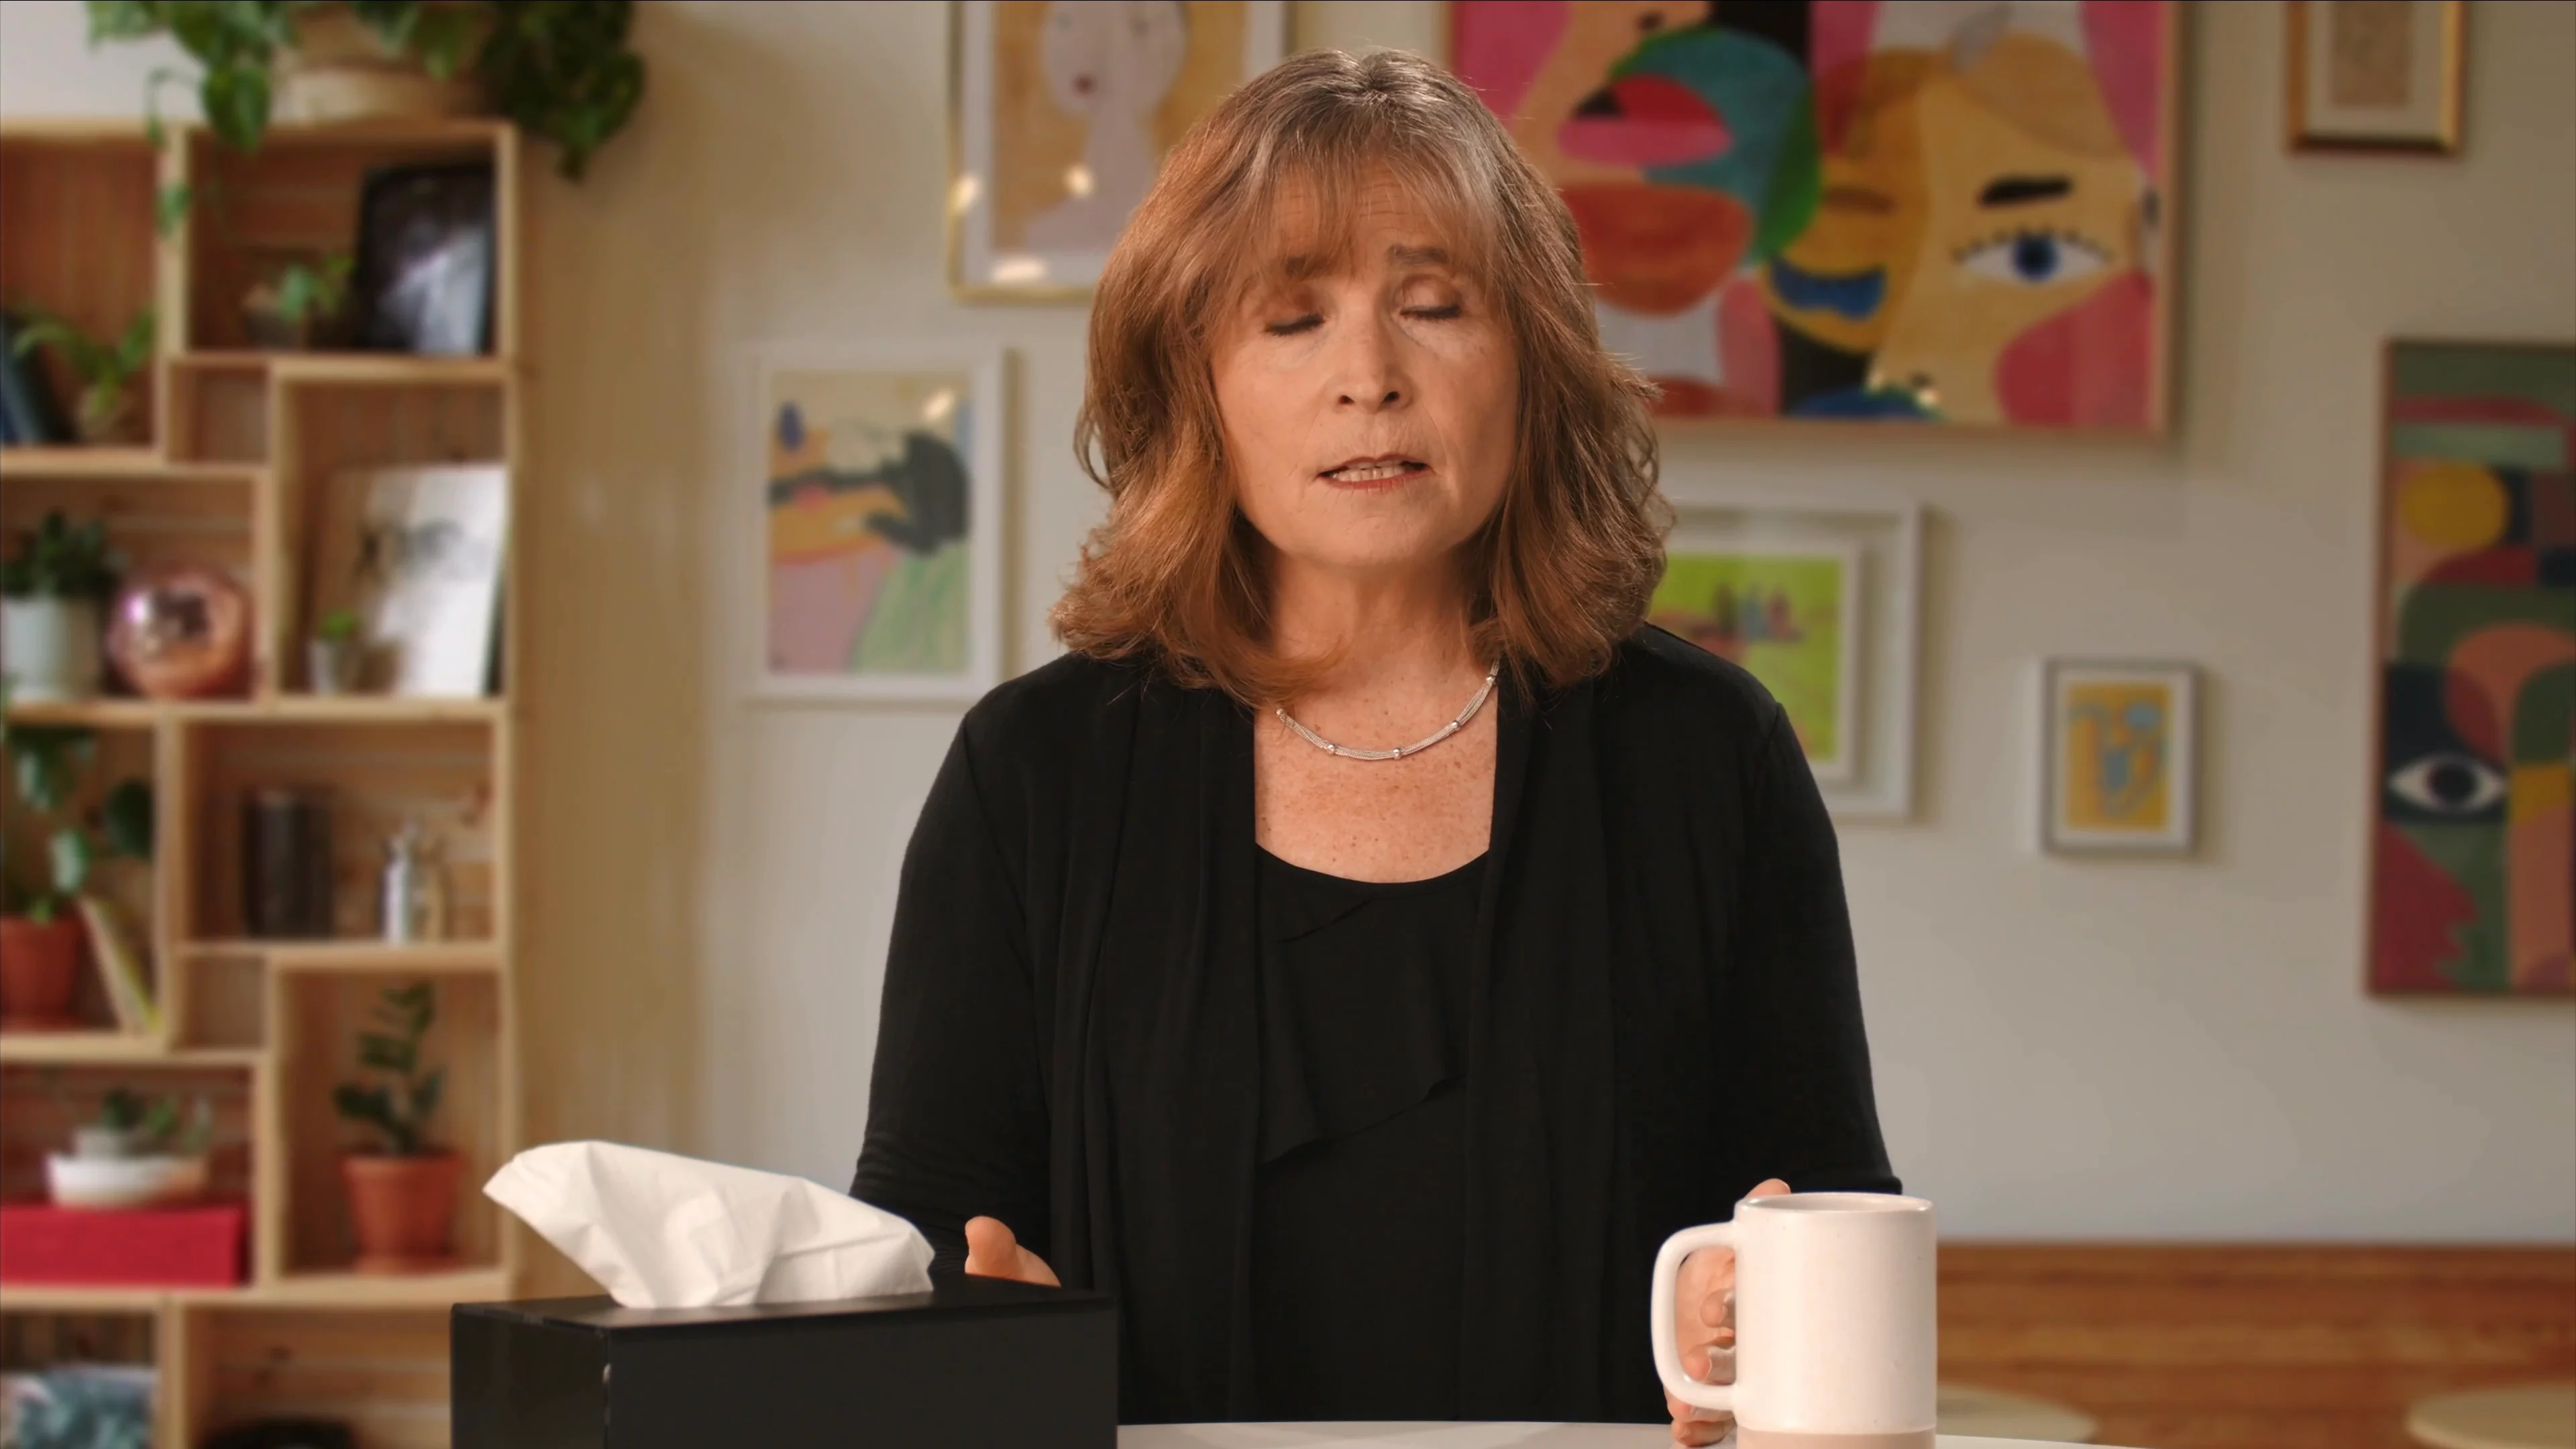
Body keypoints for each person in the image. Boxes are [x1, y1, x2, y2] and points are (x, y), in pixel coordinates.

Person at [851, 48, 1898, 1445]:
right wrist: (971, 1325)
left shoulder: (1712, 757)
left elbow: (1830, 1225)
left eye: (1434, 306)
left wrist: (1757, 1310)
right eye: (1293, 319)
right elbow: (919, 1246)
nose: (1370, 379)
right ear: (1197, 384)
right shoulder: (1034, 770)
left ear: (1532, 360)